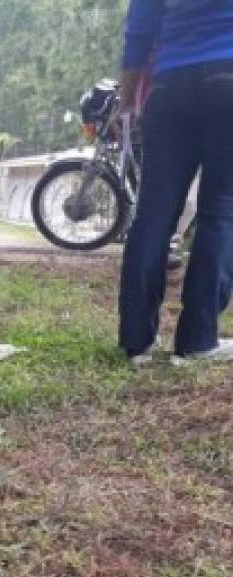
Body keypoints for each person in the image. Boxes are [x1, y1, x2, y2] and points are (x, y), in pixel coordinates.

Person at [118, 0, 233, 365]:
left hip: (168, 86)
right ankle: (198, 339)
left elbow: (140, 26)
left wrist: (128, 93)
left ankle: (136, 341)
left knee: (153, 212)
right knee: (222, 211)